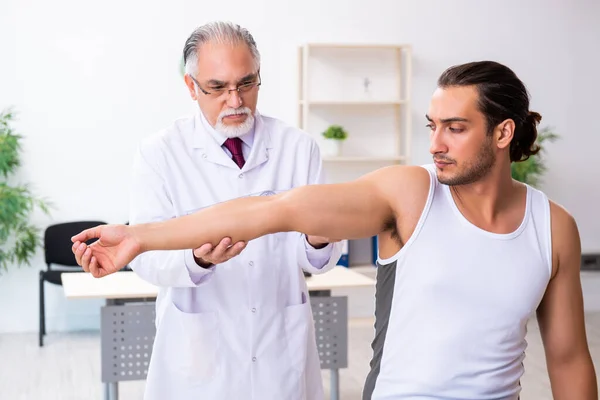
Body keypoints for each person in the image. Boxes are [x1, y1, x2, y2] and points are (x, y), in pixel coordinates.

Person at [72, 60, 597, 399]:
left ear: (503, 132)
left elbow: (570, 361)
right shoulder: (409, 194)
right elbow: (269, 210)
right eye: (431, 126)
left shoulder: (552, 228)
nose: (436, 143)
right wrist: (141, 237)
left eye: (455, 129)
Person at [88, 21, 343, 400]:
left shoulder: (297, 148)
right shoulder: (160, 152)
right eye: (218, 88)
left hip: (279, 347)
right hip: (198, 354)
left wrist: (319, 239)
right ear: (191, 87)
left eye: (246, 84)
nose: (236, 100)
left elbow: (320, 261)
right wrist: (196, 259)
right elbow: (146, 258)